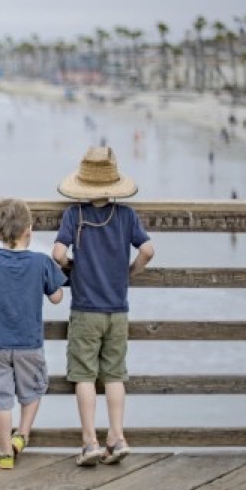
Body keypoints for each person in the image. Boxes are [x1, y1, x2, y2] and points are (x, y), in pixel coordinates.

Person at [51, 147, 155, 467]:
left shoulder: (74, 215)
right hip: (117, 309)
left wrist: (73, 266)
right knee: (114, 375)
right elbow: (148, 250)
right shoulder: (125, 215)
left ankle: (90, 442)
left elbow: (57, 254)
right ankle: (118, 436)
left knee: (83, 375)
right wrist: (129, 273)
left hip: (85, 309)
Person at [0, 198, 66, 470]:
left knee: (1, 399)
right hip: (29, 342)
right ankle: (23, 435)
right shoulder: (41, 262)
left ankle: (4, 452)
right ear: (29, 229)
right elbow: (56, 297)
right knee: (34, 389)